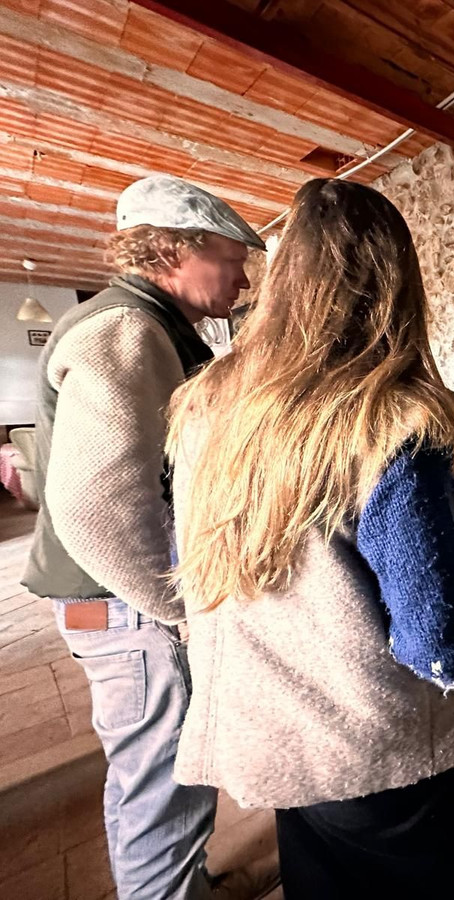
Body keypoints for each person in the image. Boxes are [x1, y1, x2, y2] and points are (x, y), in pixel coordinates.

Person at [166, 178, 454, 900]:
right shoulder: (391, 419)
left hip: (277, 738)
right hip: (382, 753)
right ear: (397, 283)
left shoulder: (206, 399)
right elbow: (443, 645)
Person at [21, 175, 266, 899]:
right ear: (172, 249)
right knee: (164, 783)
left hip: (116, 605)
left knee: (152, 775)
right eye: (231, 258)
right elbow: (98, 508)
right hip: (127, 608)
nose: (244, 278)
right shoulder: (126, 329)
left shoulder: (149, 324)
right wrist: (178, 608)